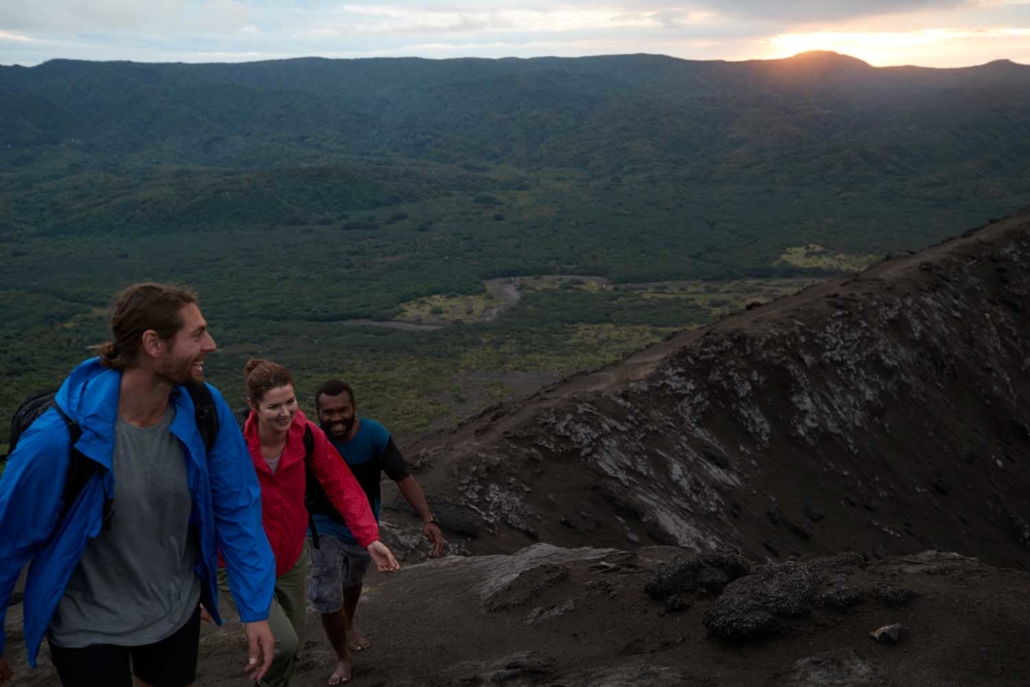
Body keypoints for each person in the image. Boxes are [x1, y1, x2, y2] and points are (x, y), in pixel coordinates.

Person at [0, 283, 276, 687]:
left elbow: (237, 508)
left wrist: (254, 610)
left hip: (174, 609)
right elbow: (7, 541)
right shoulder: (59, 439)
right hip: (87, 624)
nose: (212, 345)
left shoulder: (204, 409)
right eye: (197, 334)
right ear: (153, 344)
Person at [220, 359, 400, 687]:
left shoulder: (307, 436)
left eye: (291, 402)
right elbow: (202, 503)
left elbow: (340, 483)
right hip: (240, 559)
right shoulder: (231, 444)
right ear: (253, 406)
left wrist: (368, 537)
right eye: (274, 406)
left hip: (288, 556)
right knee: (283, 644)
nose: (286, 413)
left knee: (293, 646)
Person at [311, 380, 446, 677]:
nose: (336, 418)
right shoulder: (311, 440)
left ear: (354, 408)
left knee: (352, 580)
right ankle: (342, 658)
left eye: (342, 410)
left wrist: (427, 518)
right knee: (328, 588)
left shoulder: (374, 435)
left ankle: (348, 624)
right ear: (317, 413)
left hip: (363, 525)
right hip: (323, 523)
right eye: (327, 412)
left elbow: (403, 477)